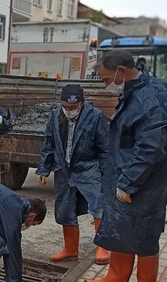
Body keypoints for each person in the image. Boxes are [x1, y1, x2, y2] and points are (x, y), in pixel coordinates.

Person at [83, 50, 167, 282]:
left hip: (145, 182)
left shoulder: (148, 98)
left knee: (144, 231)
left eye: (107, 79)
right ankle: (116, 279)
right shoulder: (134, 91)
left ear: (121, 71)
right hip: (126, 175)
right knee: (120, 225)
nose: (106, 85)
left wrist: (128, 181)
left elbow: (151, 148)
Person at [35, 84, 110, 265]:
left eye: (72, 107)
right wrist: (44, 168)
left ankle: (103, 247)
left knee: (98, 205)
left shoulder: (95, 117)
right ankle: (70, 249)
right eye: (65, 107)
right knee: (65, 209)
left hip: (88, 167)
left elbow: (105, 149)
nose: (68, 110)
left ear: (81, 103)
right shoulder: (55, 116)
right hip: (63, 168)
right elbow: (49, 143)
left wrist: (108, 174)